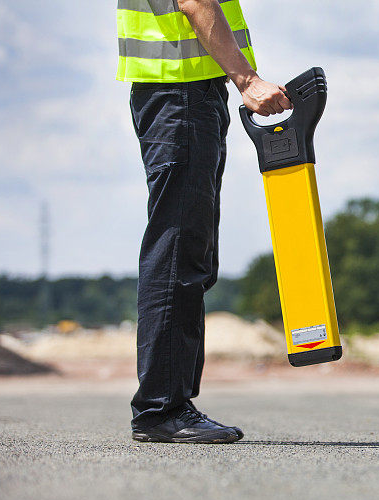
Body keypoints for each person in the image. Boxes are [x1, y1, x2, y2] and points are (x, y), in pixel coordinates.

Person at [117, 0, 292, 443]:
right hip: (180, 94)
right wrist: (247, 79)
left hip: (181, 93)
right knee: (178, 249)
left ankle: (168, 403)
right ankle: (161, 408)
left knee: (187, 249)